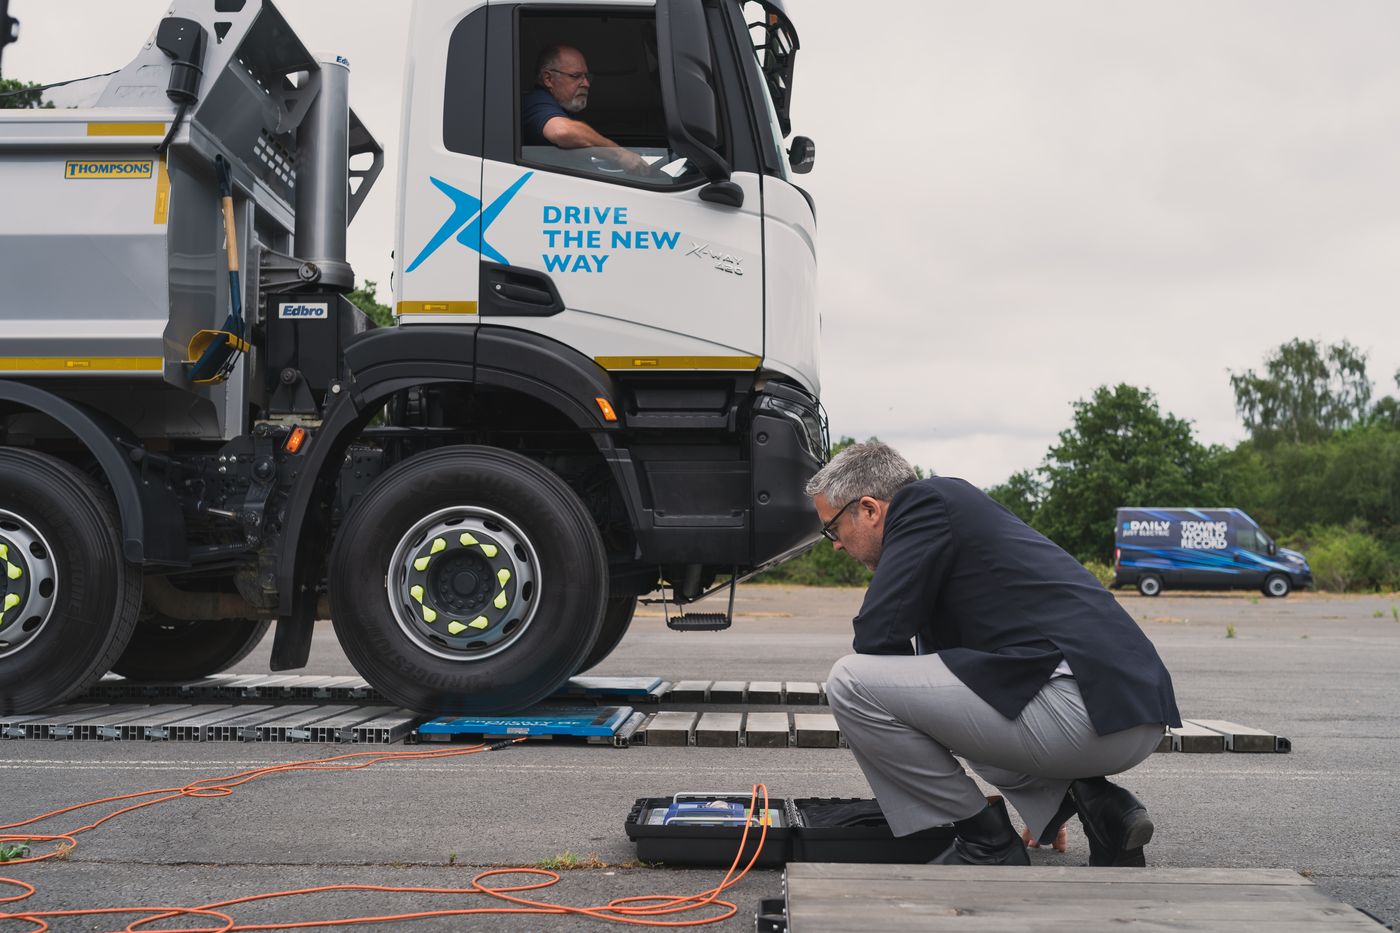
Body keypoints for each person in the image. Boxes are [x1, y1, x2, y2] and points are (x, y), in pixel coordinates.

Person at [808, 441, 1181, 866]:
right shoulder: (958, 517)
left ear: (870, 509)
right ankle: (1101, 807)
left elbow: (876, 636)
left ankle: (985, 843)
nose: (836, 545)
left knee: (850, 682)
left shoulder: (922, 503)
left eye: (833, 529)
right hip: (1128, 715)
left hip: (1080, 709)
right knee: (941, 712)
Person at [521, 44, 651, 175]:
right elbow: (563, 131)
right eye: (576, 76)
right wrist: (620, 154)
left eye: (586, 77)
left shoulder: (561, 110)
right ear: (548, 79)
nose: (586, 84)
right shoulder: (535, 102)